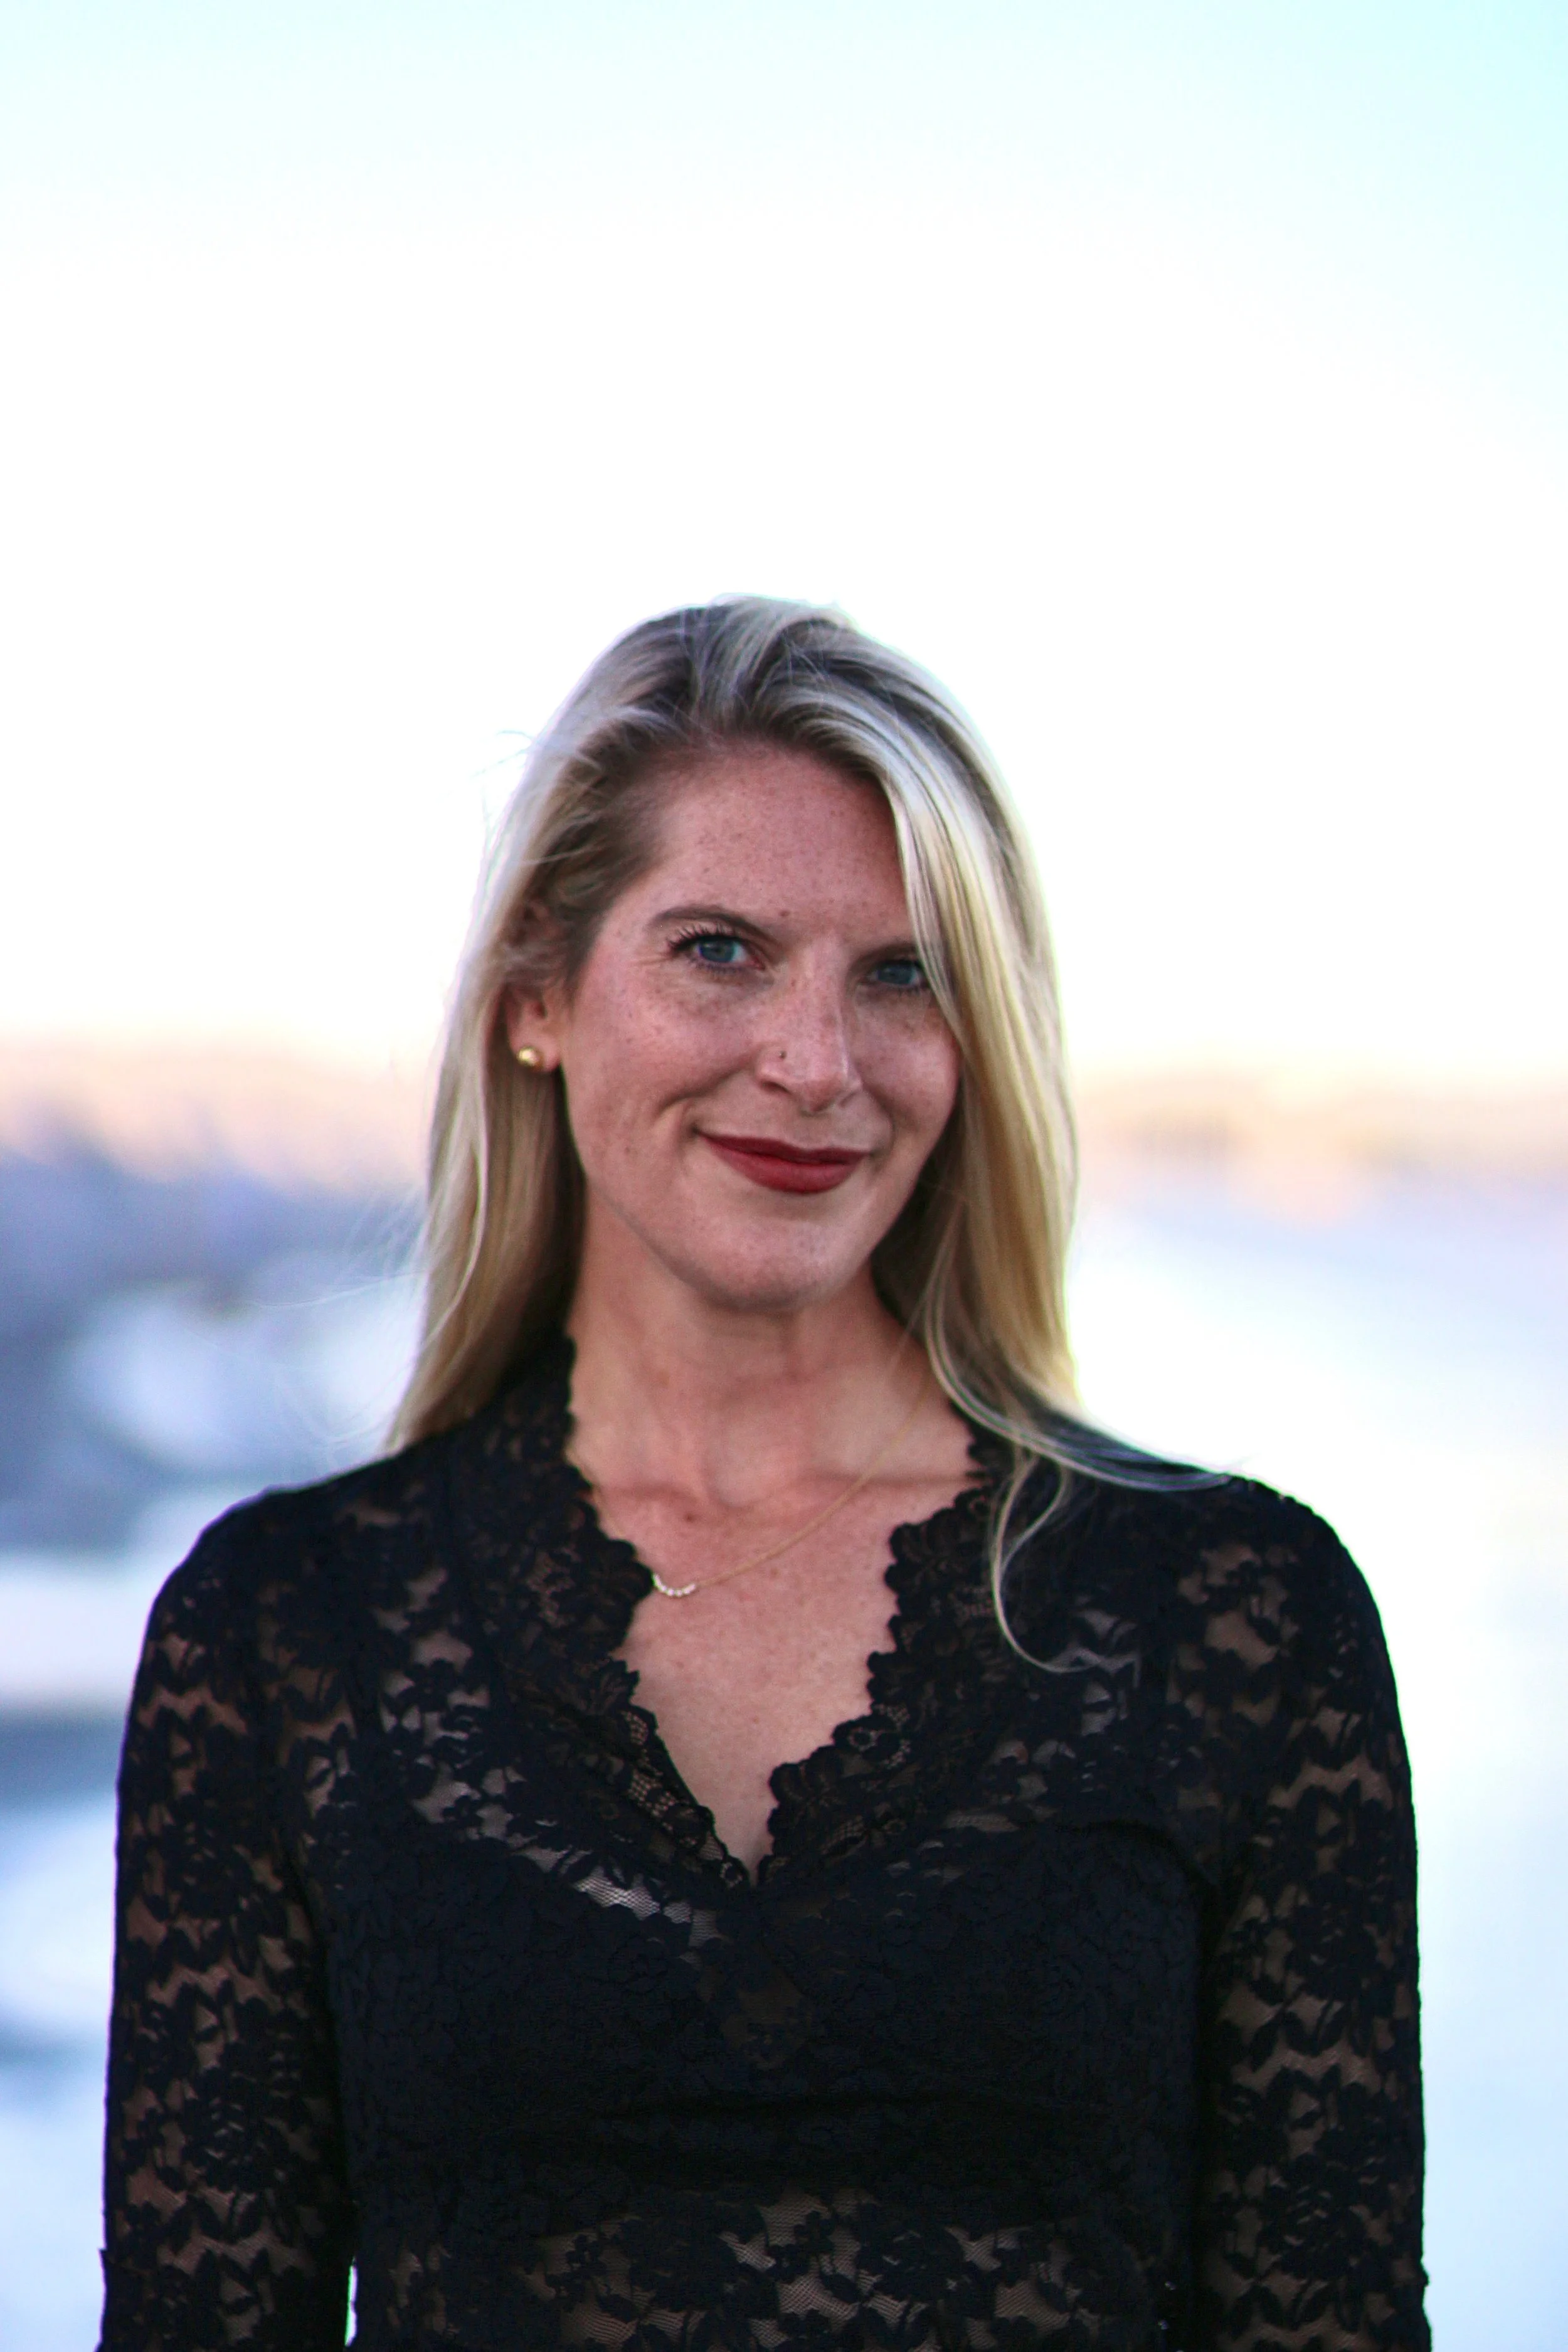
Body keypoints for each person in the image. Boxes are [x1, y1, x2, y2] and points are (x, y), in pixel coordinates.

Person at [99, 597, 1428, 2350]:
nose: (814, 1064)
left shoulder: (1235, 1616)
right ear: (535, 998)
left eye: (900, 973)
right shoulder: (284, 1634)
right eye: (719, 950)